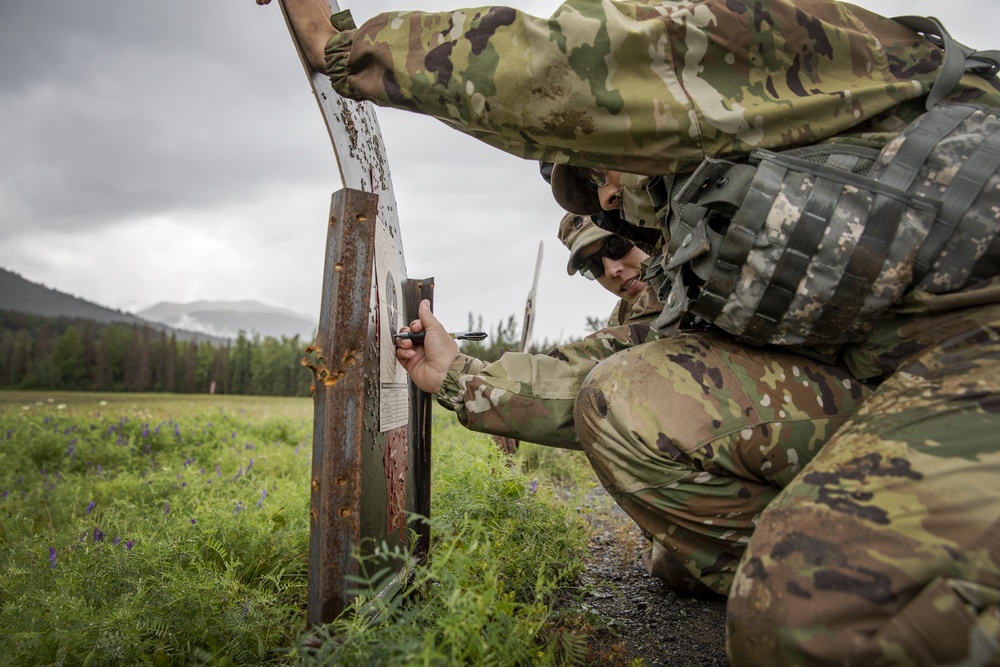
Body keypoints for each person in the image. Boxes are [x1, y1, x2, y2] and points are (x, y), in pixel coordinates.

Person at [260, 1, 1000, 664]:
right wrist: (459, 376)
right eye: (596, 215)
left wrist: (344, 47)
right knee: (634, 408)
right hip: (890, 377)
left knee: (819, 612)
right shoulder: (706, 222)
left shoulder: (756, 43)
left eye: (595, 174)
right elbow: (639, 359)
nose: (610, 203)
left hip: (977, 347)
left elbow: (568, 67)